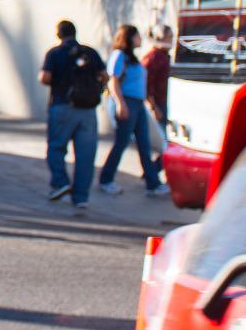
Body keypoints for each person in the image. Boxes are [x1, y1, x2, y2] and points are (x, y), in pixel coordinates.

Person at [39, 19, 109, 215]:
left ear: (58, 34)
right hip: (87, 110)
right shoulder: (90, 52)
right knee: (86, 155)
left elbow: (45, 77)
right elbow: (104, 75)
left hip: (62, 106)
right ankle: (81, 198)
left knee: (56, 148)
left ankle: (60, 183)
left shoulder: (54, 53)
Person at [98, 25, 169, 198]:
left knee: (144, 144)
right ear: (129, 37)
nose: (140, 38)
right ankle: (106, 179)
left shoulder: (133, 58)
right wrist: (121, 104)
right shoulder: (119, 56)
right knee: (121, 142)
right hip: (126, 102)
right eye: (137, 35)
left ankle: (153, 183)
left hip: (137, 104)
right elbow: (112, 81)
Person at [143, 24, 173, 157]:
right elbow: (146, 85)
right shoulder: (153, 57)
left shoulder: (165, 56)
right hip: (157, 104)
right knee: (162, 143)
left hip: (164, 101)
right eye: (169, 36)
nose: (172, 40)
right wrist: (154, 107)